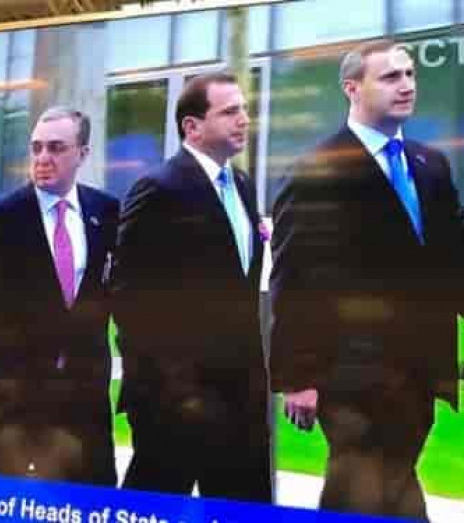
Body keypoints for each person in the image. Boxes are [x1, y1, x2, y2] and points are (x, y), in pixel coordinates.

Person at [269, 39, 464, 519]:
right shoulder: (316, 171)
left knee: (389, 496)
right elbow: (295, 279)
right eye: (391, 77)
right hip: (349, 381)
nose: (407, 85)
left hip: (419, 376)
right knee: (364, 492)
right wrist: (298, 377)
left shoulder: (429, 165)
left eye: (410, 74)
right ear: (352, 88)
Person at [112, 72, 272, 501]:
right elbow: (128, 298)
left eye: (244, 109)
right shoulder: (158, 189)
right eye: (230, 111)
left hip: (241, 398)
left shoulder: (242, 185)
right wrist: (172, 389)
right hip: (174, 402)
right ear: (192, 126)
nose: (244, 119)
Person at [0, 106, 118, 486]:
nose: (43, 158)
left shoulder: (106, 212)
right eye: (37, 147)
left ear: (83, 153)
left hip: (84, 403)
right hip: (10, 406)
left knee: (91, 505)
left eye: (56, 148)